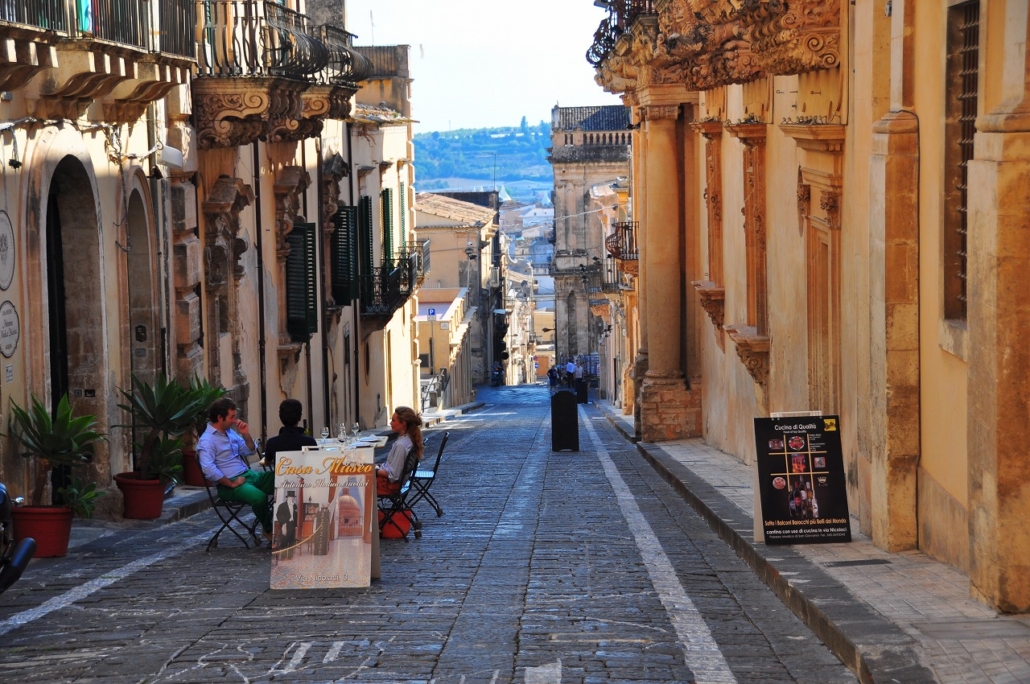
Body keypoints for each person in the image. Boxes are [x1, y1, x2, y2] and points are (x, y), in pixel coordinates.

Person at [198, 397, 274, 544]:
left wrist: (245, 434)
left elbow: (249, 451)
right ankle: (269, 529)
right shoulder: (207, 440)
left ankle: (289, 525)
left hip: (249, 476)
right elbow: (208, 468)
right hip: (231, 484)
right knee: (259, 498)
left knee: (285, 478)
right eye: (231, 417)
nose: (234, 420)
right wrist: (231, 484)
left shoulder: (230, 432)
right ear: (220, 418)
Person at [375, 406, 424, 495]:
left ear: (403, 423)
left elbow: (394, 476)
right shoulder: (408, 439)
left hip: (388, 485)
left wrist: (375, 471)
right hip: (391, 481)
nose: (390, 423)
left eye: (393, 420)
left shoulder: (401, 445)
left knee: (356, 480)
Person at [263, 399, 317, 468]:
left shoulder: (272, 442)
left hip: (281, 478)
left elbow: (267, 463)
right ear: (300, 417)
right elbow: (315, 462)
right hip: (305, 477)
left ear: (280, 417)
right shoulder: (310, 442)